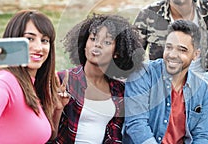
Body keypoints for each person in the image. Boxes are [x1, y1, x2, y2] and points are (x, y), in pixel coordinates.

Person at [51, 14, 145, 143]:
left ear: (117, 52)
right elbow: (47, 133)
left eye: (107, 42)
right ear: (85, 44)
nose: (98, 45)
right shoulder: (63, 80)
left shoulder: (119, 91)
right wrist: (57, 109)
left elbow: (114, 137)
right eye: (93, 38)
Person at [123, 20, 208, 143]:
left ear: (195, 54)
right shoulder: (142, 74)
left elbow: (202, 135)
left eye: (182, 50)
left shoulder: (201, 87)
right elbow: (136, 124)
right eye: (169, 47)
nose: (173, 55)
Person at [0, 10, 60, 143]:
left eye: (44, 40)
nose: (38, 47)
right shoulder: (4, 81)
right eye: (30, 39)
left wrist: (59, 108)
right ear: (14, 40)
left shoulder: (33, 86)